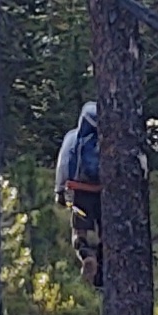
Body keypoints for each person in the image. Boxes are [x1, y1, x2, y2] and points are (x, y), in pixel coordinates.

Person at [51, 98, 104, 283]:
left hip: (78, 192)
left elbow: (63, 164)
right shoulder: (109, 140)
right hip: (103, 192)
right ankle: (102, 275)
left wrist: (60, 191)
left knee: (79, 232)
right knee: (107, 233)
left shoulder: (72, 137)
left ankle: (87, 254)